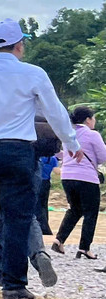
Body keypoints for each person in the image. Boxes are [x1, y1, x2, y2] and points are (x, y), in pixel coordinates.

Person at [0, 19, 81, 299]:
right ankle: (14, 285)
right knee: (18, 216)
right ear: (19, 45)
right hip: (17, 150)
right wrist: (71, 143)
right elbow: (55, 112)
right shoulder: (33, 73)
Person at [50, 105, 105, 260]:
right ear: (87, 120)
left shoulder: (68, 133)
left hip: (67, 177)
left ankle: (59, 240)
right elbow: (103, 157)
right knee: (91, 212)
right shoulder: (92, 135)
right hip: (86, 178)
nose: (94, 121)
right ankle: (84, 248)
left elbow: (60, 153)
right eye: (93, 118)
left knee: (75, 209)